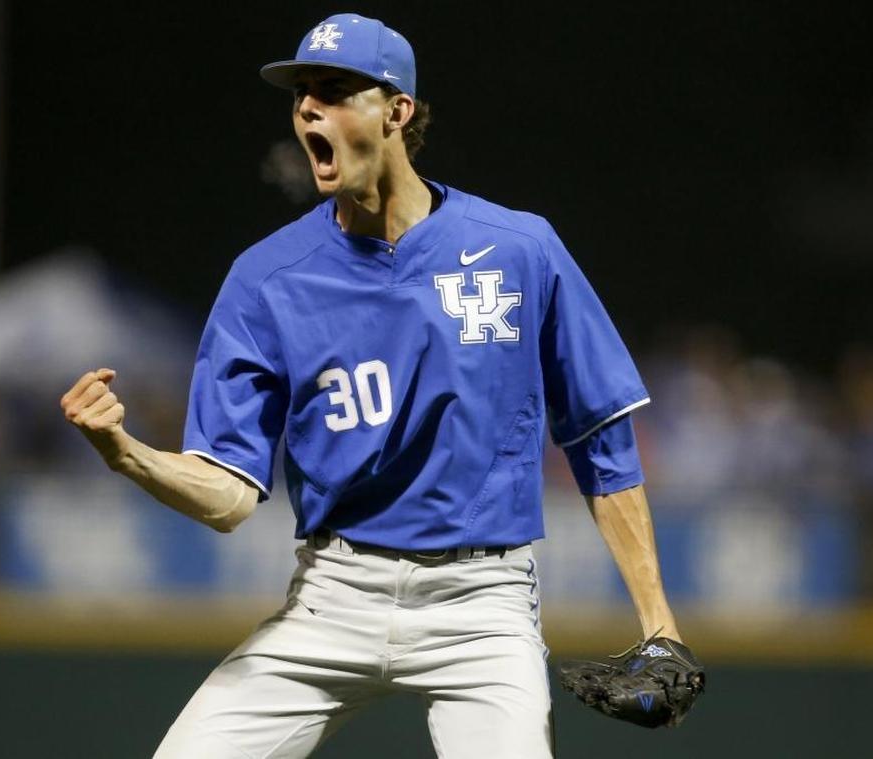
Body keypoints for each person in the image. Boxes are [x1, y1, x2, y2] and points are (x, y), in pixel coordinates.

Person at [61, 12, 684, 758]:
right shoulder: (267, 280)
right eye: (301, 96)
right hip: (333, 593)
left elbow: (600, 437)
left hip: (480, 605)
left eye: (333, 90)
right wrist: (128, 452)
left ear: (397, 110)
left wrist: (660, 625)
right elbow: (228, 493)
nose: (308, 109)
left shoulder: (518, 250)